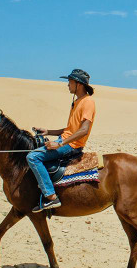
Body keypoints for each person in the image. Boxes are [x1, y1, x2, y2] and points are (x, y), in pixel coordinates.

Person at [27, 69, 96, 212]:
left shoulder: (88, 102)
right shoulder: (77, 102)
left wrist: (59, 143)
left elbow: (84, 130)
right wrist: (49, 132)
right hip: (65, 141)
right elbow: (71, 129)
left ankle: (51, 196)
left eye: (70, 82)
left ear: (79, 84)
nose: (68, 85)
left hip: (72, 145)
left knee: (33, 157)